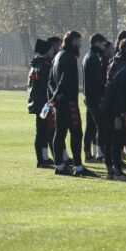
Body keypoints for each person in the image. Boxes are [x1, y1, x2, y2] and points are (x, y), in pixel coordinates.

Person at [49, 31, 92, 176]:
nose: (80, 44)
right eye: (78, 41)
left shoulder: (56, 57)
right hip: (69, 102)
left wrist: (54, 96)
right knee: (76, 133)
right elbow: (64, 78)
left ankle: (59, 166)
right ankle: (78, 167)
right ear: (73, 41)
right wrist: (58, 95)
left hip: (60, 103)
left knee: (59, 133)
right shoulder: (70, 58)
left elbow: (50, 81)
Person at [100, 38, 126, 181]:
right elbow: (121, 92)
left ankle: (111, 169)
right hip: (116, 107)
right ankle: (118, 170)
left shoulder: (112, 62)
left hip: (108, 104)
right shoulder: (125, 66)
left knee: (110, 140)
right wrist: (119, 114)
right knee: (117, 140)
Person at [27, 38, 55, 168]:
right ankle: (44, 159)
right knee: (47, 131)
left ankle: (43, 158)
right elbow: (47, 87)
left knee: (42, 132)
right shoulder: (44, 66)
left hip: (37, 103)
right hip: (44, 103)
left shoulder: (35, 65)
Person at [81, 33, 108, 164]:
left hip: (89, 95)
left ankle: (88, 153)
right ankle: (100, 153)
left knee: (90, 126)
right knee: (101, 126)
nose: (104, 47)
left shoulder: (88, 56)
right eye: (103, 44)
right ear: (97, 43)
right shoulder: (93, 58)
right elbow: (97, 79)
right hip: (94, 96)